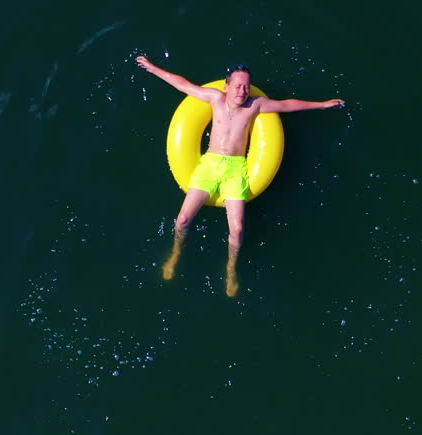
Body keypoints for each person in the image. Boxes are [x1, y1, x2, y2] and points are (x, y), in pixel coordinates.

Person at [136, 57, 344, 297]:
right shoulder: (215, 98)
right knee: (182, 219)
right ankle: (175, 255)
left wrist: (322, 105)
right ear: (226, 86)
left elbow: (286, 105)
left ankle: (231, 269)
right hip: (210, 165)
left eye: (246, 86)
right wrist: (152, 68)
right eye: (237, 86)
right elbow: (183, 85)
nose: (242, 91)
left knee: (237, 229)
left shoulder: (255, 105)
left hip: (236, 169)